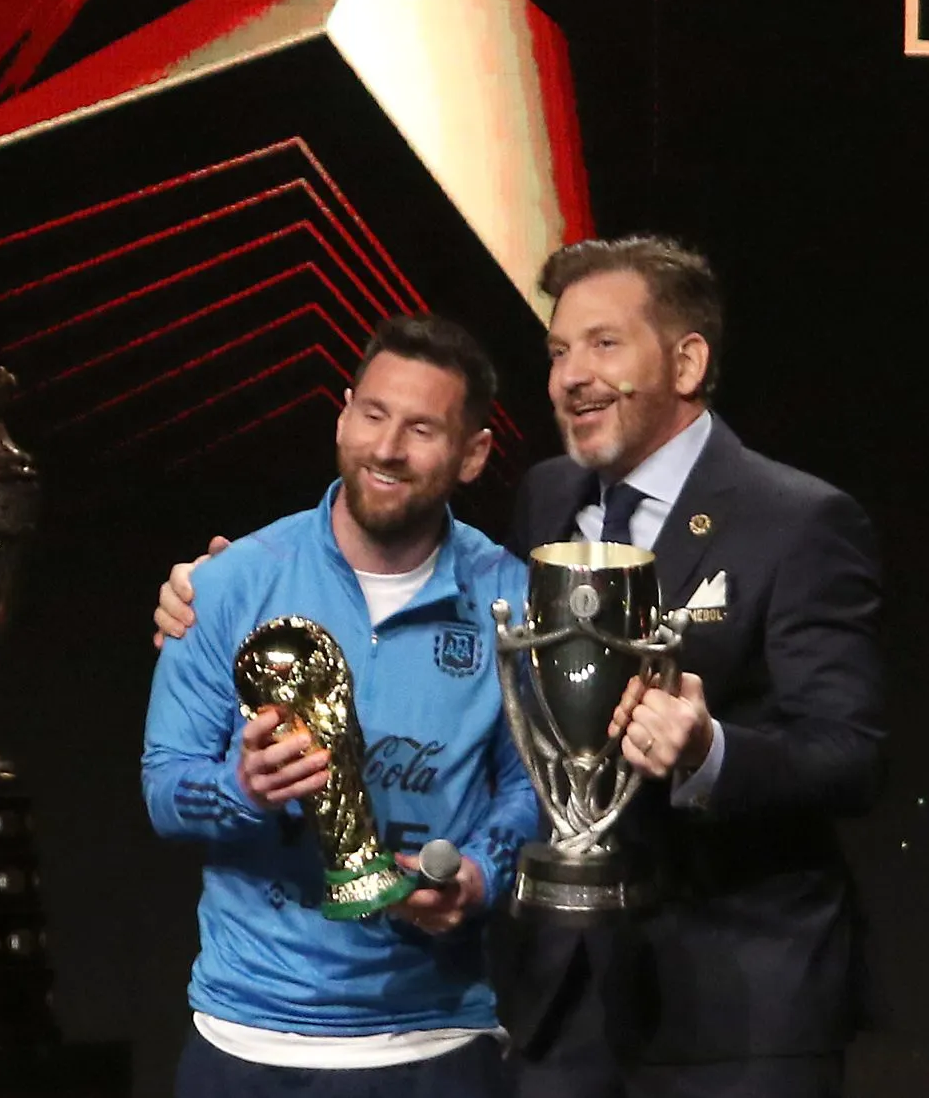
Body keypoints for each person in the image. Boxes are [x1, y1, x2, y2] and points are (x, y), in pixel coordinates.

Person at [155, 236, 886, 1097]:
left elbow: (850, 756)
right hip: (565, 1000)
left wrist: (707, 751)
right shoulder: (548, 498)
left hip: (737, 1001)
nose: (572, 375)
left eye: (604, 344)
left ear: (687, 362)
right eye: (558, 351)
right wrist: (230, 589)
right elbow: (502, 708)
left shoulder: (796, 519)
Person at [142, 312, 539, 1098]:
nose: (386, 448)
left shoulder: (511, 598)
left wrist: (481, 876)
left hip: (434, 1040)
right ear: (343, 415)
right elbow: (164, 789)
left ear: (472, 454)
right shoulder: (228, 585)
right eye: (373, 414)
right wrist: (242, 789)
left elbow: (535, 786)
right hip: (244, 1040)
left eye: (421, 429)